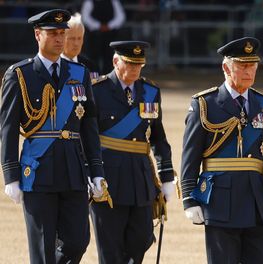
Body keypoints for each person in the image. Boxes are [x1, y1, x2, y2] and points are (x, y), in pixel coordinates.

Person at [0, 9, 106, 263]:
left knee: (78, 241)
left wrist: (97, 170)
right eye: (53, 33)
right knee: (43, 248)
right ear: (38, 35)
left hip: (73, 170)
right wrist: (10, 176)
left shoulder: (79, 73)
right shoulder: (20, 75)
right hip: (38, 171)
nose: (60, 39)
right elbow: (8, 129)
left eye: (62, 33)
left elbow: (89, 126)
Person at [181, 37, 263, 264]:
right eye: (242, 66)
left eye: (252, 66)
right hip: (220, 203)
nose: (249, 71)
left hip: (258, 203)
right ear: (226, 67)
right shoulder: (204, 104)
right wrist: (189, 199)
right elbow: (190, 157)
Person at [89, 40, 176, 264]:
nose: (136, 69)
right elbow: (87, 138)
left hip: (140, 179)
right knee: (110, 249)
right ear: (116, 62)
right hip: (108, 180)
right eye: (130, 64)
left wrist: (166, 177)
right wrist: (90, 174)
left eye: (140, 64)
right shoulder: (97, 90)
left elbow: (158, 137)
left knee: (142, 238)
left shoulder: (150, 91)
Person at [81, 0, 126, 74]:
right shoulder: (89, 1)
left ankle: (108, 80)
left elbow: (120, 17)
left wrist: (109, 26)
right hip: (94, 37)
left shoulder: (114, 1)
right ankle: (93, 80)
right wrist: (98, 26)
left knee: (110, 59)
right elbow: (85, 17)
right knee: (93, 59)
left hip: (110, 36)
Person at [61, 12, 100, 79]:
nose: (76, 43)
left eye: (79, 38)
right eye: (72, 38)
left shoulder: (90, 66)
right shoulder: (53, 65)